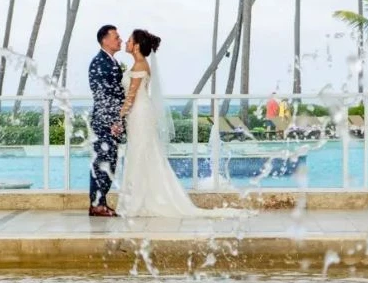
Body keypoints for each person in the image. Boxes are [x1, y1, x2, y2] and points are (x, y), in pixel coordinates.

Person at [116, 29, 249, 218]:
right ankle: (143, 198)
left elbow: (130, 97)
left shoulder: (139, 66)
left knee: (140, 153)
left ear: (136, 46)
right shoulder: (140, 64)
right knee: (142, 153)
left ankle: (139, 200)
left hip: (139, 113)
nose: (126, 43)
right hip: (140, 112)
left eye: (129, 41)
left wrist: (118, 116)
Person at [87, 24, 124, 217]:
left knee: (109, 162)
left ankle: (100, 202)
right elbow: (103, 96)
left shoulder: (111, 62)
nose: (120, 40)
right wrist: (113, 122)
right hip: (104, 123)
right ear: (105, 40)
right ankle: (97, 204)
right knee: (102, 163)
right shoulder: (99, 62)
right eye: (116, 37)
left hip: (109, 122)